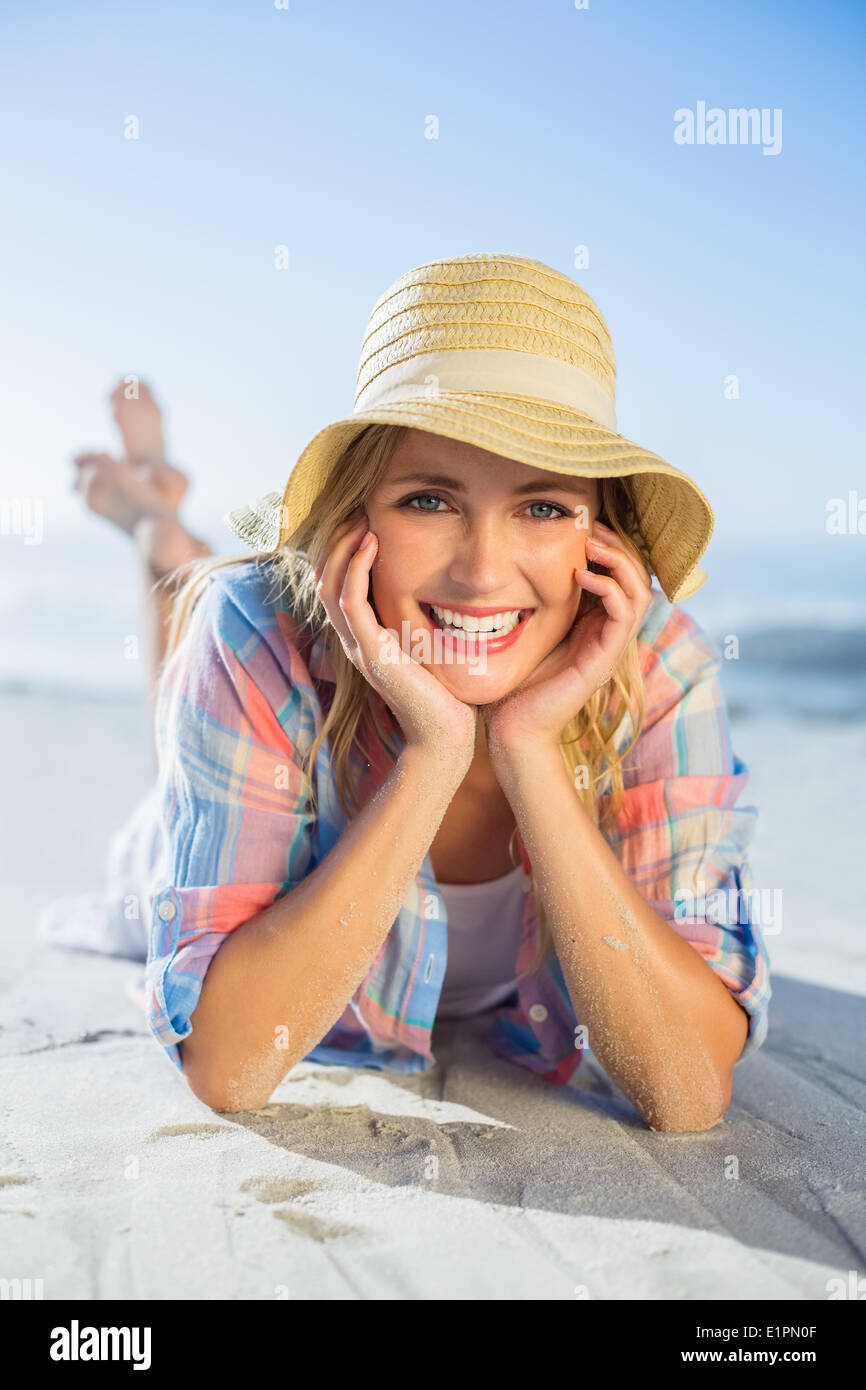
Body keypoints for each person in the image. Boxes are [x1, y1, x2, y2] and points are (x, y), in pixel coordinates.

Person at [47, 254, 772, 1133]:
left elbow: (688, 1091)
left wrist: (528, 751)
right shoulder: (259, 630)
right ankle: (156, 523)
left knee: (205, 602)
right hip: (182, 817)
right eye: (429, 499)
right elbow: (230, 1068)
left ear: (602, 538)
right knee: (202, 611)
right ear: (356, 519)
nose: (481, 573)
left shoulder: (658, 663)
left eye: (543, 508)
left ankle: (159, 514)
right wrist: (433, 753)